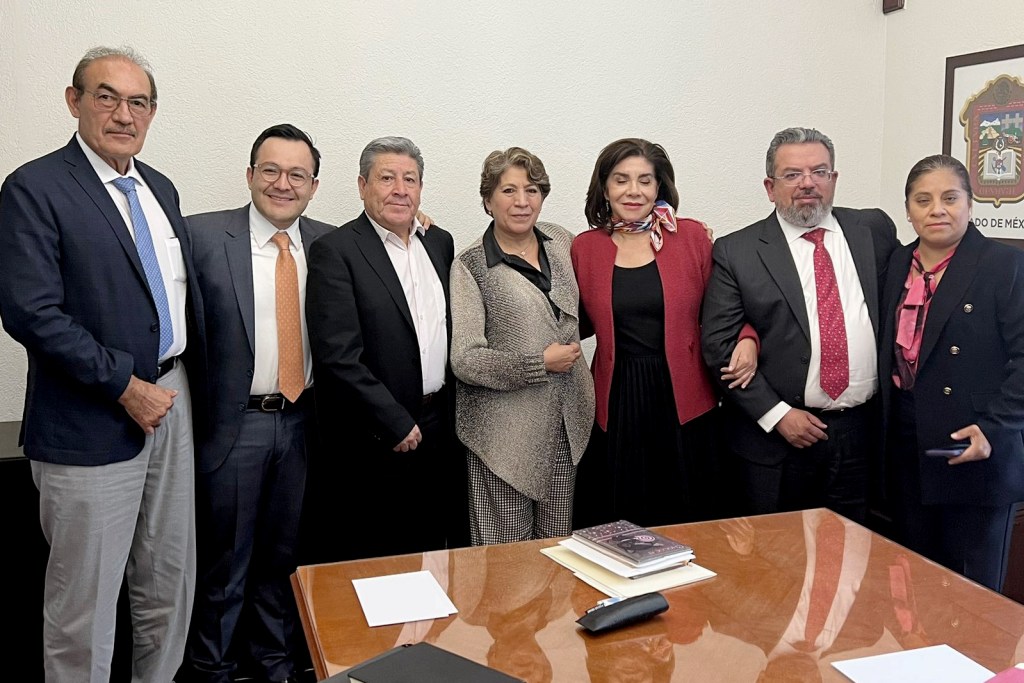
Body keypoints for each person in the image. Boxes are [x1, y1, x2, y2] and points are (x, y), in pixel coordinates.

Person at [0, 46, 205, 682]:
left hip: (173, 402)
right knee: (83, 605)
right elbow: (31, 312)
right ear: (75, 101)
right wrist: (124, 385)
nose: (124, 114)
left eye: (138, 102)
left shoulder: (160, 188)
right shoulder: (34, 188)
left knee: (169, 579)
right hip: (90, 417)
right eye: (107, 97)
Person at [181, 124, 332, 683]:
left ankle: (276, 667)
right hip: (233, 427)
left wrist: (416, 224)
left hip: (303, 425)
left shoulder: (330, 244)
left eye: (297, 174)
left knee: (284, 561)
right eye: (270, 170)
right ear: (249, 175)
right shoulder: (199, 236)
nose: (282, 184)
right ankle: (212, 671)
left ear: (314, 186)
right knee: (225, 566)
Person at [701, 127, 899, 522]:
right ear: (770, 187)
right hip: (777, 441)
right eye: (792, 174)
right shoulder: (737, 250)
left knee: (855, 550)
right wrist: (777, 415)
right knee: (778, 555)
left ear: (833, 179)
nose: (808, 183)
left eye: (819, 172)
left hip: (860, 434)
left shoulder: (873, 230)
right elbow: (719, 345)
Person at [571, 138, 756, 529]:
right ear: (604, 187)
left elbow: (723, 307)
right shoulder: (584, 248)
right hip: (617, 395)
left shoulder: (691, 237)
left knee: (687, 511)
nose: (633, 191)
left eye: (645, 180)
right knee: (621, 516)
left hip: (683, 392)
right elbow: (576, 321)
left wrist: (747, 338)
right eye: (621, 179)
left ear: (659, 187)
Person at [306, 136, 460, 560]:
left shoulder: (439, 243)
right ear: (362, 185)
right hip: (376, 435)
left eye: (410, 179)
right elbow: (337, 355)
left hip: (440, 425)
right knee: (380, 557)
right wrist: (393, 420)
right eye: (387, 178)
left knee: (435, 550)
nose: (400, 190)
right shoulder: (336, 251)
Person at [879, 154, 1024, 591]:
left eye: (950, 198)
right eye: (923, 200)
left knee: (971, 594)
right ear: (908, 210)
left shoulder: (1004, 264)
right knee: (916, 584)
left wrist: (994, 428)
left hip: (975, 445)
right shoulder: (895, 264)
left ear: (970, 203)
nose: (936, 210)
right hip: (907, 446)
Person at [450, 147, 594, 544]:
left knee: (557, 549)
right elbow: (465, 360)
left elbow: (610, 255)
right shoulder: (470, 266)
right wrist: (537, 363)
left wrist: (680, 229)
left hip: (566, 427)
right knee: (506, 559)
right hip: (503, 439)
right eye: (508, 190)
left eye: (532, 190)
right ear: (487, 200)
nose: (522, 201)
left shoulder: (562, 241)